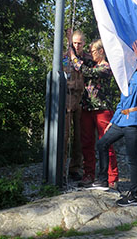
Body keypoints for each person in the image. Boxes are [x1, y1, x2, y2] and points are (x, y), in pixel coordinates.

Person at [86, 40, 137, 207]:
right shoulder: (126, 77)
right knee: (102, 144)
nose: (127, 60)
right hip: (120, 120)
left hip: (134, 121)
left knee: (131, 159)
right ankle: (102, 180)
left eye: (130, 58)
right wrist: (112, 122)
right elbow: (121, 103)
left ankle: (133, 195)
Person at [69, 39, 119, 189]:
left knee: (106, 143)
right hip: (87, 108)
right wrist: (71, 45)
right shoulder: (92, 63)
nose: (91, 54)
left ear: (101, 51)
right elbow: (80, 61)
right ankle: (88, 174)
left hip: (102, 109)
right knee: (87, 143)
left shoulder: (106, 67)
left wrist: (73, 58)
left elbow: (85, 71)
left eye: (93, 51)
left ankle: (112, 178)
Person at [63, 29, 91, 182]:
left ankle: (75, 168)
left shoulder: (87, 58)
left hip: (82, 98)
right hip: (67, 98)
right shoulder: (65, 58)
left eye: (80, 43)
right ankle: (60, 170)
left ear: (84, 43)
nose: (78, 45)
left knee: (80, 136)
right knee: (65, 135)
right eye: (75, 43)